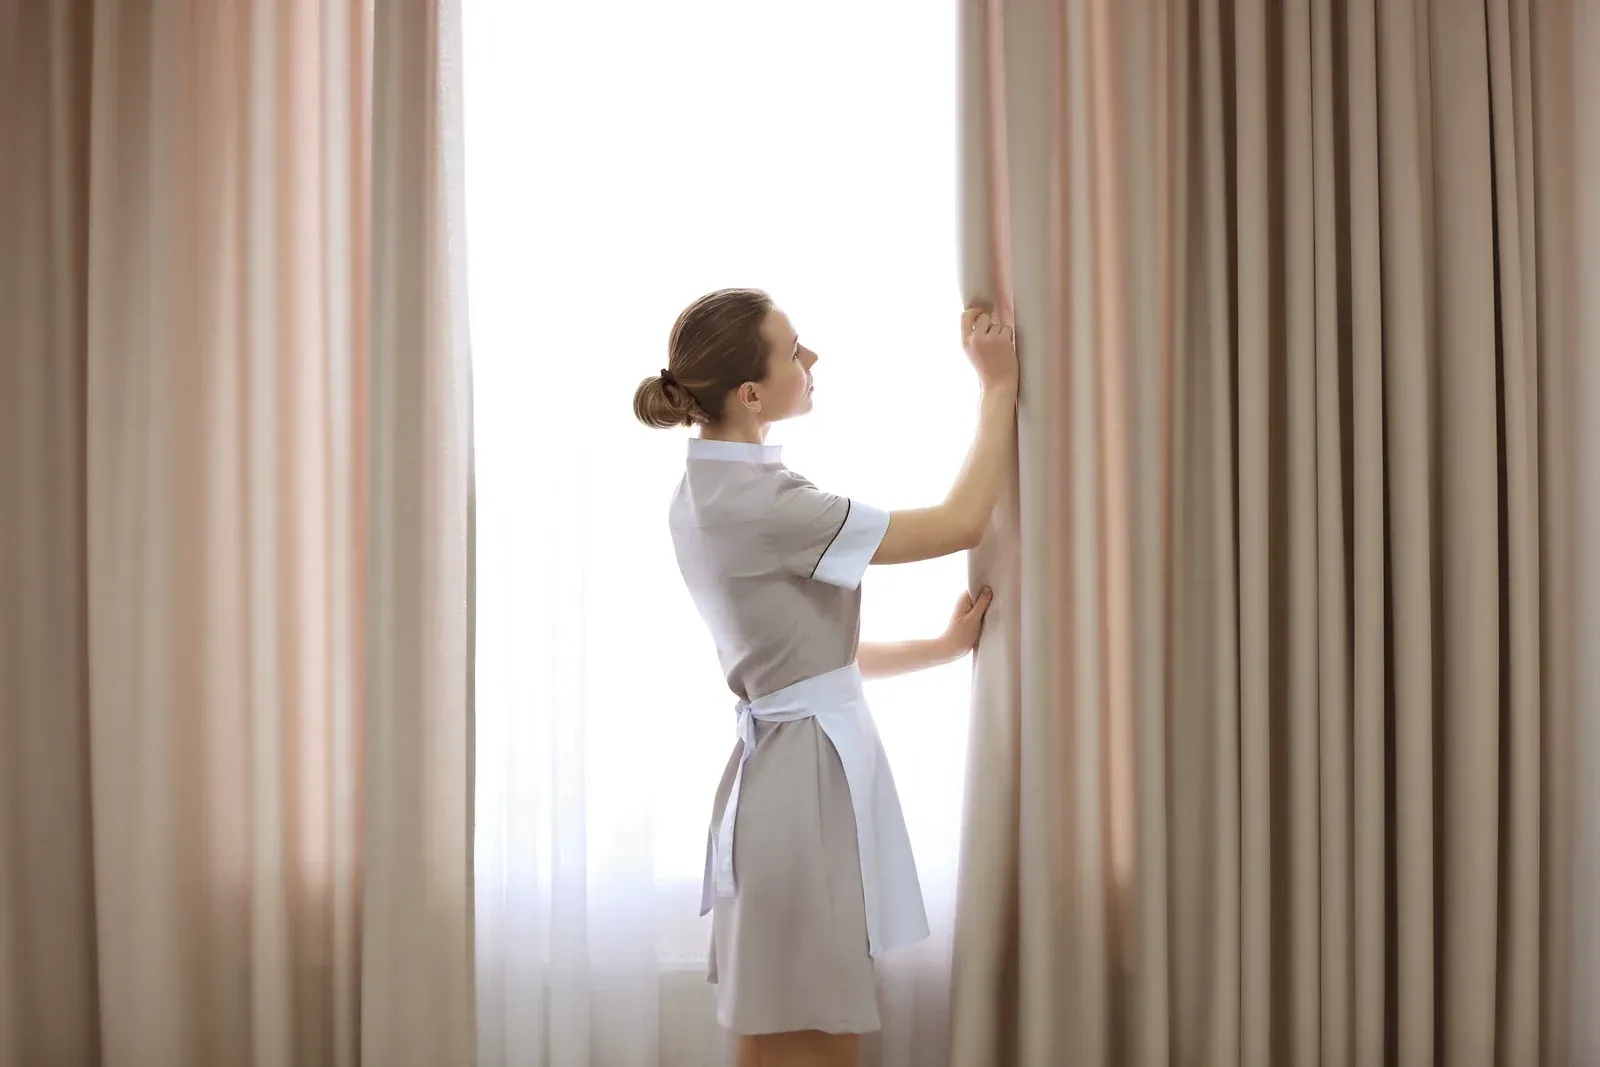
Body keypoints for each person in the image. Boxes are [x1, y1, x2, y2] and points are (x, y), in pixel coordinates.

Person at [633, 288, 1018, 1067]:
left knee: (778, 1036)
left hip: (777, 788)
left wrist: (940, 649)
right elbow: (959, 523)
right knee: (818, 1040)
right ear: (751, 394)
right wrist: (999, 388)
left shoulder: (697, 497)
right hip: (801, 798)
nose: (812, 360)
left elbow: (799, 666)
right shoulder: (772, 503)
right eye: (795, 349)